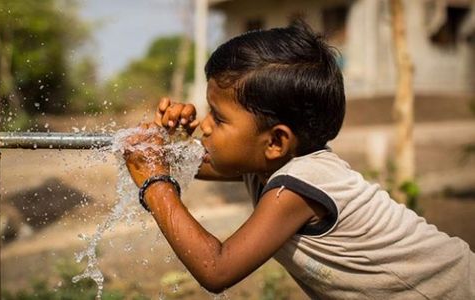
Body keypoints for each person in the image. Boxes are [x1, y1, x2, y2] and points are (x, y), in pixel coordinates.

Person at [124, 20, 474, 299]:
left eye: (219, 117)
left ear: (275, 140)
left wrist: (155, 184)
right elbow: (185, 162)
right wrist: (167, 137)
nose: (204, 124)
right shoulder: (269, 162)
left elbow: (217, 270)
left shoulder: (300, 184)